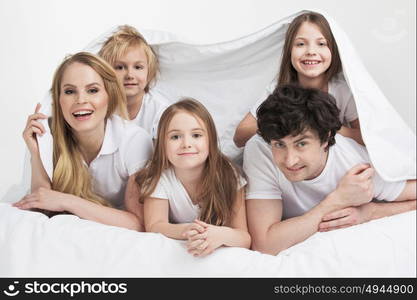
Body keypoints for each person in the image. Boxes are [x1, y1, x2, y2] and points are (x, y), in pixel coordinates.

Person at [243, 85, 416, 255]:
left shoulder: (354, 162)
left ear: (326, 138)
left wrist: (372, 212)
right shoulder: (260, 150)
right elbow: (265, 245)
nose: (290, 160)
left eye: (301, 144)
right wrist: (336, 201)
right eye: (279, 145)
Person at [15, 52, 153, 231]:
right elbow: (42, 203)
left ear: (109, 95)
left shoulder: (135, 140)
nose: (81, 100)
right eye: (70, 91)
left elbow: (139, 223)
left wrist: (67, 201)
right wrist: (36, 152)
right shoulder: (51, 135)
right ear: (58, 100)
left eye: (93, 90)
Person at [135, 99, 251, 256]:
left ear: (210, 141)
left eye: (196, 135)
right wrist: (187, 230)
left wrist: (219, 234)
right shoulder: (158, 176)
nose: (186, 144)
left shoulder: (228, 175)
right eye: (175, 137)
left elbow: (244, 238)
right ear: (162, 144)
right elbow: (155, 225)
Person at [234, 11, 362, 148]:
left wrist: (326, 126)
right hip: (289, 160)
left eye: (321, 44)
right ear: (289, 51)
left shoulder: (342, 91)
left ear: (333, 50)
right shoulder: (278, 88)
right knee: (256, 145)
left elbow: (368, 139)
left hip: (328, 160)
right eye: (301, 44)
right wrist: (288, 120)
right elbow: (239, 137)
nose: (311, 51)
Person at [98, 25, 169, 138]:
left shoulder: (158, 112)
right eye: (119, 67)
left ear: (149, 71)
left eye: (138, 67)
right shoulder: (101, 108)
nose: (130, 75)